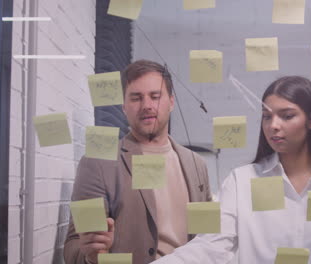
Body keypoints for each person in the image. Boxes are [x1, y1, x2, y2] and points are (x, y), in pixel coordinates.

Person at [151, 76, 311, 264]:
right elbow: (210, 246)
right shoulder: (242, 181)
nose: (273, 126)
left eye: (287, 116)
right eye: (267, 117)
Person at [64, 60, 212, 264]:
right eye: (136, 98)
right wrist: (92, 255)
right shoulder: (97, 163)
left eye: (155, 96)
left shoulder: (196, 164)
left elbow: (208, 237)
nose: (147, 106)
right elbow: (73, 245)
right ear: (124, 106)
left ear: (171, 101)